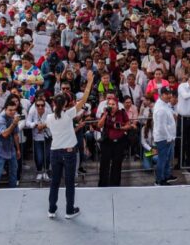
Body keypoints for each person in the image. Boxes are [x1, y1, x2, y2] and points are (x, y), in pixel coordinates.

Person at [46, 71, 94, 219]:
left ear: (54, 104)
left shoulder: (49, 117)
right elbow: (84, 99)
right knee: (69, 182)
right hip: (69, 152)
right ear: (66, 103)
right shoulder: (69, 115)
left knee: (54, 182)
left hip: (54, 152)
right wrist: (90, 82)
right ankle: (69, 211)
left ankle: (52, 210)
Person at [97, 94, 131, 186]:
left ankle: (115, 183)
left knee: (117, 164)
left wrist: (122, 128)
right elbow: (99, 125)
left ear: (117, 105)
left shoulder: (122, 113)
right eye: (109, 104)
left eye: (113, 104)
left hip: (119, 141)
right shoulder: (104, 113)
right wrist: (105, 115)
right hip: (107, 141)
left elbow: (129, 125)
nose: (111, 106)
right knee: (104, 164)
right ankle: (103, 183)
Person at [0, 99, 21, 188]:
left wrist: (18, 149)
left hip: (11, 150)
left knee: (13, 172)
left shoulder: (13, 118)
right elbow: (4, 134)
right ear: (5, 109)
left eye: (14, 110)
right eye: (10, 110)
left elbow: (15, 135)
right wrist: (14, 124)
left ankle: (13, 190)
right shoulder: (0, 120)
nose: (12, 112)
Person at [153, 87, 178, 185]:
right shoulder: (160, 109)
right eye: (166, 94)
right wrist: (168, 137)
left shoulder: (164, 104)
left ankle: (167, 175)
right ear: (161, 95)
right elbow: (161, 126)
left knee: (167, 159)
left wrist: (173, 113)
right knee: (162, 160)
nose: (169, 95)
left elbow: (170, 111)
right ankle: (159, 180)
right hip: (164, 138)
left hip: (168, 137)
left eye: (170, 93)